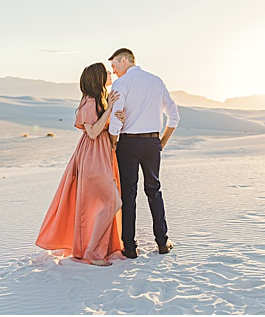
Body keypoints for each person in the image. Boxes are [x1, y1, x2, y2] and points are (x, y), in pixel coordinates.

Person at [36, 63, 123, 266]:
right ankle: (92, 251)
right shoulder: (89, 101)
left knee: (105, 202)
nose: (110, 74)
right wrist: (110, 109)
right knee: (112, 202)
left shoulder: (98, 100)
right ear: (98, 77)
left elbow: (105, 133)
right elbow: (92, 133)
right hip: (92, 156)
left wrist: (116, 119)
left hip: (102, 154)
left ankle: (94, 248)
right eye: (106, 72)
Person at [107, 48, 180, 258]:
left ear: (124, 60)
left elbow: (116, 119)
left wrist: (114, 142)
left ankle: (129, 247)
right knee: (154, 190)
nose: (113, 70)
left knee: (128, 195)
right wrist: (161, 143)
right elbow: (174, 116)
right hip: (151, 144)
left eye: (114, 65)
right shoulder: (156, 81)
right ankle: (162, 242)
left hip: (128, 144)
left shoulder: (121, 84)